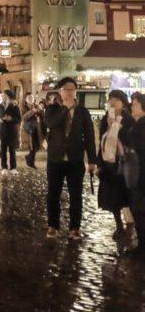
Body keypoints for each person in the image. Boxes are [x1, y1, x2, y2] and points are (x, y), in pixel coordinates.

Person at [43, 76, 97, 240]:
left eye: (73, 88)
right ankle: (53, 226)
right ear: (60, 91)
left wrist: (92, 160)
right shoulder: (52, 109)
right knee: (53, 193)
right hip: (55, 158)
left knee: (76, 195)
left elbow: (89, 136)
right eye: (67, 88)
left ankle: (75, 228)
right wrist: (65, 109)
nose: (70, 91)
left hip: (75, 159)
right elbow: (51, 124)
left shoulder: (83, 112)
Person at [97, 89, 133, 240]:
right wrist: (99, 163)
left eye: (115, 99)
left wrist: (116, 127)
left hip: (123, 163)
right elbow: (102, 141)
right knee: (112, 198)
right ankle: (118, 225)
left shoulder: (128, 120)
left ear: (122, 102)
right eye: (110, 99)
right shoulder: (107, 118)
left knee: (126, 197)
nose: (112, 102)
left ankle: (130, 225)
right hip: (108, 164)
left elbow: (129, 139)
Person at [122, 92, 145, 257]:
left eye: (135, 104)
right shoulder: (137, 124)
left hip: (141, 175)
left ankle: (142, 248)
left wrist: (119, 131)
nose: (132, 106)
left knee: (139, 210)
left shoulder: (141, 126)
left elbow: (134, 144)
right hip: (139, 173)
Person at [0, 89, 21, 172]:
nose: (2, 96)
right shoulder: (0, 106)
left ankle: (13, 167)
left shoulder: (14, 105)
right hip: (3, 130)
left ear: (7, 96)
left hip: (12, 130)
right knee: (3, 150)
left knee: (12, 150)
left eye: (3, 95)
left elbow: (19, 119)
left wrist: (11, 118)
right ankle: (4, 167)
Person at [22, 93, 41, 168]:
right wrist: (32, 111)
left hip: (37, 128)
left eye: (31, 97)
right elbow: (24, 117)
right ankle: (31, 162)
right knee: (33, 146)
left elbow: (41, 114)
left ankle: (29, 157)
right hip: (29, 128)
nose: (30, 99)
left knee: (38, 146)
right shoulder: (24, 107)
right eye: (29, 98)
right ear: (26, 100)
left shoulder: (36, 106)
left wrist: (40, 111)